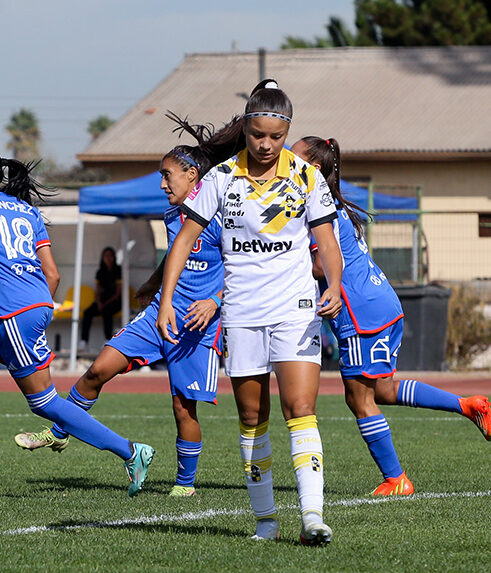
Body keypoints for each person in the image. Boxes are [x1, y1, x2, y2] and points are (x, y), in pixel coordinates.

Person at [156, 80, 343, 545]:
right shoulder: (221, 178)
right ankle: (265, 521)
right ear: (246, 129)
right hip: (241, 312)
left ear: (287, 131)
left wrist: (335, 284)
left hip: (296, 307)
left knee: (300, 408)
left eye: (275, 137)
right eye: (257, 135)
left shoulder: (307, 177)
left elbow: (327, 241)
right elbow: (183, 240)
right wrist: (166, 299)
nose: (265, 145)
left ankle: (312, 516)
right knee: (252, 416)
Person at [0, 143, 154, 498]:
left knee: (44, 402)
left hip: (14, 312)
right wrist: (36, 308)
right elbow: (53, 274)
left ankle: (131, 451)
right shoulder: (26, 211)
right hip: (27, 308)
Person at [14, 140, 224, 498]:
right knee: (98, 369)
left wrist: (215, 301)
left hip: (197, 323)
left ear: (192, 175)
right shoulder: (173, 213)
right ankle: (61, 430)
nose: (162, 184)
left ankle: (184, 485)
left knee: (182, 407)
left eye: (166, 175)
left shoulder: (222, 217)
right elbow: (176, 254)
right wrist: (154, 284)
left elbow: (245, 269)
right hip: (161, 310)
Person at [290, 135, 491, 495]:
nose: (284, 164)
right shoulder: (334, 207)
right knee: (382, 389)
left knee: (359, 398)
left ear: (313, 169)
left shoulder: (319, 211)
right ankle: (469, 405)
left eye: (293, 158)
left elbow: (321, 266)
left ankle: (396, 479)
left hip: (360, 313)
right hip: (381, 304)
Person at [79, 247, 122, 350]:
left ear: (114, 257)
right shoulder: (100, 272)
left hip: (115, 301)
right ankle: (84, 341)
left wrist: (104, 304)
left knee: (107, 311)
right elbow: (97, 290)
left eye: (110, 255)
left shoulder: (118, 270)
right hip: (102, 301)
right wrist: (98, 302)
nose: (108, 258)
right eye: (106, 256)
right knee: (87, 312)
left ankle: (107, 340)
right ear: (102, 258)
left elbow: (117, 293)